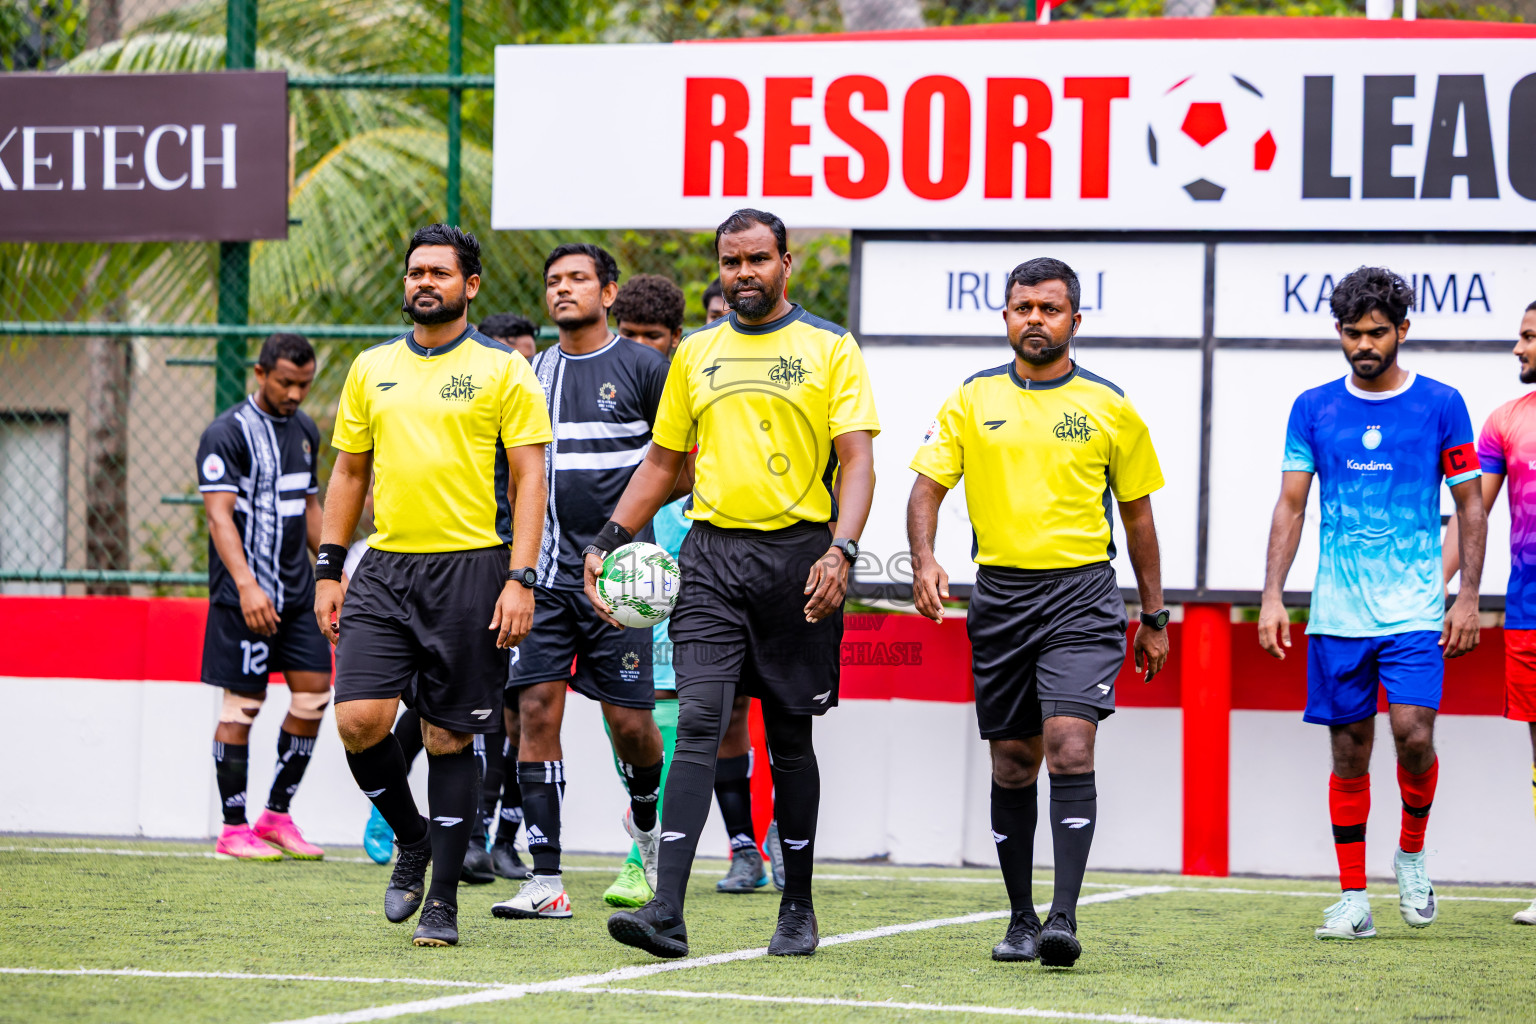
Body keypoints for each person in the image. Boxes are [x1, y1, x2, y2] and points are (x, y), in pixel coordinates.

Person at [590, 208, 878, 959]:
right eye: (730, 261)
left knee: (788, 736)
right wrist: (609, 538)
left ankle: (798, 908)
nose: (743, 272)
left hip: (800, 562)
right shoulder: (696, 353)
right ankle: (666, 910)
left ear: (786, 263)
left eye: (757, 259)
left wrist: (842, 550)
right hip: (711, 561)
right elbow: (663, 463)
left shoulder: (831, 347)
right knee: (700, 719)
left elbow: (857, 460)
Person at [907, 257, 1169, 968]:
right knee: (1015, 761)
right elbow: (926, 488)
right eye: (1023, 307)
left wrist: (1154, 616)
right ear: (1006, 317)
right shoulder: (971, 398)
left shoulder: (1110, 405)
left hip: (1081, 595)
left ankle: (1063, 918)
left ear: (1074, 320)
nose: (1035, 319)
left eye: (1050, 309)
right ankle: (1021, 918)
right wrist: (925, 559)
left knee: (1070, 744)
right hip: (1000, 599)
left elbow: (1139, 517)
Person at [315, 223, 552, 948]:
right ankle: (412, 839)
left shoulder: (504, 370)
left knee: (449, 735)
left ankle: (442, 902)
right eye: (416, 271)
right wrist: (329, 567)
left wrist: (521, 578)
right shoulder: (371, 367)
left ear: (469, 285)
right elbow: (349, 472)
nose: (425, 282)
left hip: (472, 569)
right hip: (385, 569)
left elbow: (530, 478)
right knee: (358, 719)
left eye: (440, 273)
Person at [1259, 266, 1486, 942]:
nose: (1364, 344)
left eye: (1377, 332)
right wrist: (1272, 595)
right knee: (1348, 751)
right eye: (1353, 332)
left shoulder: (1441, 403)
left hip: (1415, 608)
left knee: (1414, 734)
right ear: (1339, 332)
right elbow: (1291, 505)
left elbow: (1471, 506)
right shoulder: (1313, 408)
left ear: (1402, 330)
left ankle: (1411, 855)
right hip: (1337, 613)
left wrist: (1467, 596)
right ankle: (1354, 899)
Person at [492, 243, 674, 921]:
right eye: (553, 281)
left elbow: (677, 466)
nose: (562, 289)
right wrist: (515, 568)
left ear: (608, 292)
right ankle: (546, 879)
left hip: (618, 582)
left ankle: (646, 820)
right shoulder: (528, 374)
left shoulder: (645, 367)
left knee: (630, 726)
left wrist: (629, 547)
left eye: (577, 279)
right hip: (542, 577)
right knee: (535, 711)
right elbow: (515, 473)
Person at [611, 273, 769, 897]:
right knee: (651, 708)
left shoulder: (736, 383)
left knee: (739, 714)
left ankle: (754, 843)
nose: (640, 348)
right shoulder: (640, 387)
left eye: (652, 336)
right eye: (629, 335)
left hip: (733, 556)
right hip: (646, 560)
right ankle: (656, 835)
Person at [197, 332, 333, 862]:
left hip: (297, 595)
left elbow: (311, 508)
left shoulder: (305, 430)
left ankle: (276, 816)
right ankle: (233, 828)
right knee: (243, 705)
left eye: (304, 384)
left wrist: (334, 570)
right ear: (260, 374)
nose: (295, 394)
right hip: (244, 598)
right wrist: (247, 585)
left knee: (314, 697)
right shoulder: (225, 433)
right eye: (285, 382)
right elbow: (219, 517)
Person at [1444, 299, 1536, 926]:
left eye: (1528, 337)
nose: (1518, 348)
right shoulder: (1505, 421)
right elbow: (1471, 511)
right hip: (1529, 614)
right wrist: (1437, 587)